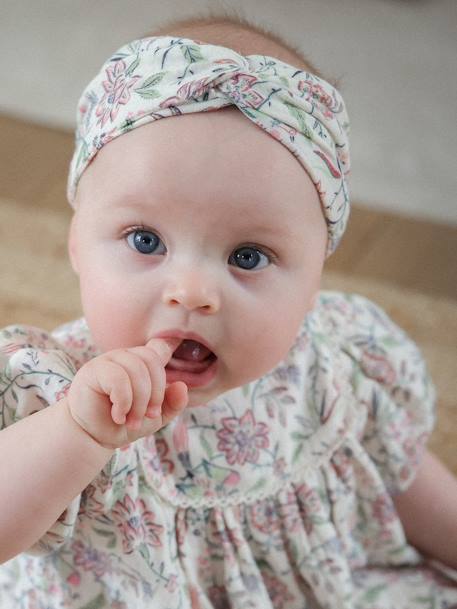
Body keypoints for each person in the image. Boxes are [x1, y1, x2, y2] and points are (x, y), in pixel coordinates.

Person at [0, 10, 456, 609]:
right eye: (146, 240)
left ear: (317, 273)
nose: (191, 292)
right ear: (77, 245)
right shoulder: (53, 391)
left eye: (248, 254)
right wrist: (77, 434)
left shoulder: (332, 365)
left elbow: (401, 480)